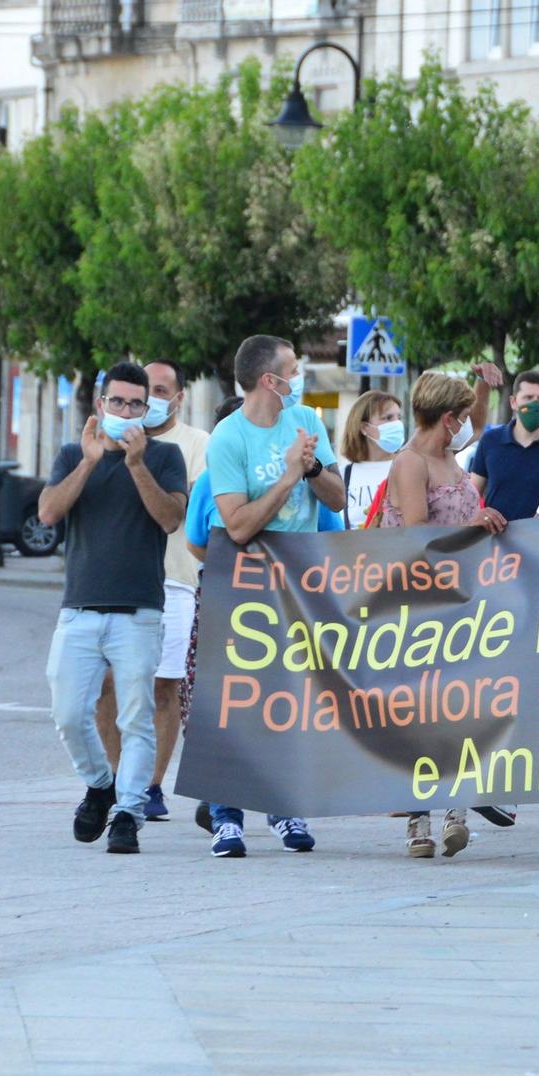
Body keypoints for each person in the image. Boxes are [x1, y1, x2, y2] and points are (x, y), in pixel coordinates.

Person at [202, 334, 348, 857]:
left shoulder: (306, 422)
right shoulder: (228, 437)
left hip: (296, 584)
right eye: (294, 368)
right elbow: (237, 525)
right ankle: (226, 817)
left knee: (289, 700)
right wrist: (288, 476)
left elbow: (336, 496)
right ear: (270, 380)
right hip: (241, 585)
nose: (300, 375)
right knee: (236, 702)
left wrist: (311, 469)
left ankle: (285, 808)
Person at [34, 362, 189, 853]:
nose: (126, 411)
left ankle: (127, 811)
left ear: (149, 409)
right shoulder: (71, 453)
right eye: (117, 402)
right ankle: (100, 784)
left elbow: (170, 519)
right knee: (67, 711)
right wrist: (88, 460)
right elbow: (48, 512)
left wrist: (136, 464)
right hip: (79, 608)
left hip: (139, 610)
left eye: (136, 404)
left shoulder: (164, 457)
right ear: (100, 405)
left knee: (137, 717)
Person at [375, 373, 511, 859]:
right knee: (419, 709)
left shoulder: (451, 459)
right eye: (463, 416)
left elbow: (461, 515)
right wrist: (471, 524)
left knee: (458, 706)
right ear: (448, 419)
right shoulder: (410, 463)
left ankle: (453, 804)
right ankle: (418, 817)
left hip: (459, 599)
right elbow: (415, 532)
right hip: (418, 602)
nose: (467, 426)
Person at [90, 358, 208, 823]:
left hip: (177, 580)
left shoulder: (196, 445)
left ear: (178, 398)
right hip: (118, 583)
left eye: (160, 393)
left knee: (163, 687)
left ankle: (152, 785)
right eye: (142, 394)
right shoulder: (103, 444)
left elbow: (187, 508)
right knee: (107, 688)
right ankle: (122, 781)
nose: (149, 402)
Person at [469, 369, 539, 523]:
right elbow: (472, 495)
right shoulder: (490, 441)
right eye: (528, 397)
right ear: (513, 402)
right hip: (497, 539)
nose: (534, 404)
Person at [336, 389, 404, 529]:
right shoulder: (343, 475)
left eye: (399, 417)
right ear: (364, 428)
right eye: (388, 418)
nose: (397, 424)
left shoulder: (407, 469)